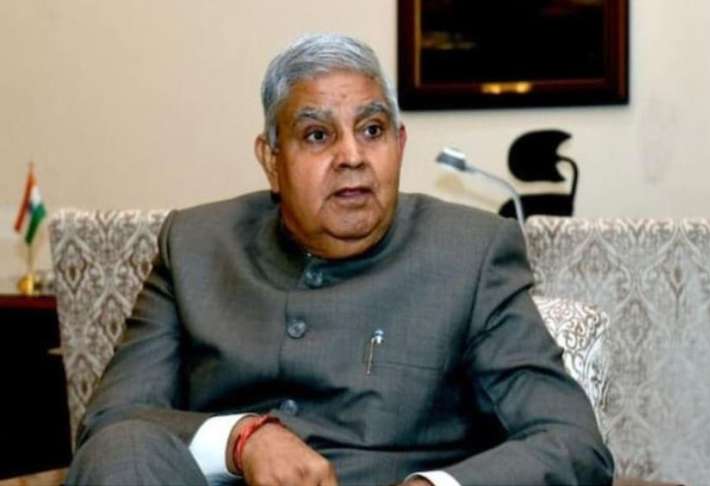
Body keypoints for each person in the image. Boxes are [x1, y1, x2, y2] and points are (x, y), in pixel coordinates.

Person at [66, 33, 614, 486]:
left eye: (372, 130)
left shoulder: (471, 254)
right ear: (271, 160)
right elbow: (110, 422)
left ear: (399, 144)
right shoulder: (196, 246)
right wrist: (240, 439)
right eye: (317, 135)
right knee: (122, 448)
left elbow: (571, 442)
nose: (352, 156)